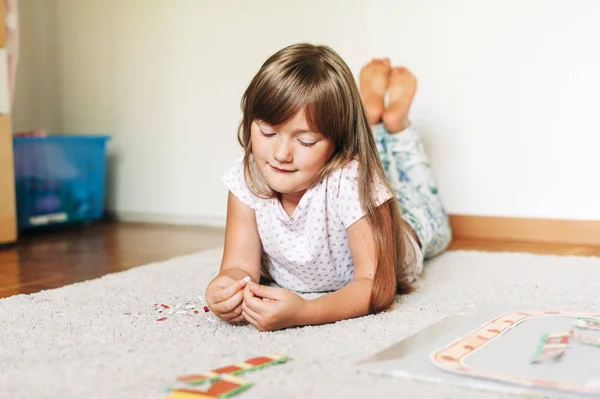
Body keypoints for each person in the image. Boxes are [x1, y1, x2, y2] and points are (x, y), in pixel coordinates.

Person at [206, 43, 451, 331]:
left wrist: (306, 312)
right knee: (377, 170)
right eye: (268, 132)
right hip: (358, 183)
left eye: (305, 141)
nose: (281, 154)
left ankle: (397, 125)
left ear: (339, 142)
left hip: (410, 220)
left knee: (420, 195)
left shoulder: (352, 180)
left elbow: (376, 286)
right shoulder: (247, 176)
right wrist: (225, 288)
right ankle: (371, 115)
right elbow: (239, 267)